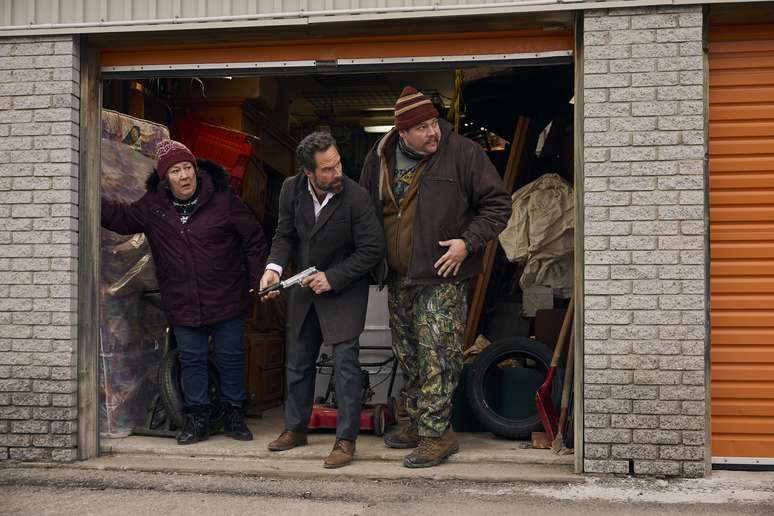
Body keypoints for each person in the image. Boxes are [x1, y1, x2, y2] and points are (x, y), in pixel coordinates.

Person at [359, 86, 512, 468]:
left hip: (441, 276)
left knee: (437, 357)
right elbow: (364, 210)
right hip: (398, 277)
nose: (433, 132)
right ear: (401, 131)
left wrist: (467, 242)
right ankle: (419, 422)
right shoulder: (379, 157)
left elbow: (498, 205)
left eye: (434, 123)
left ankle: (436, 435)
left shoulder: (462, 153)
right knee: (408, 353)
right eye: (423, 127)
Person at [102, 139, 268, 445]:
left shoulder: (223, 200)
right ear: (166, 178)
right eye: (176, 171)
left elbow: (254, 239)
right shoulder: (153, 206)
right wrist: (83, 193)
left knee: (230, 358)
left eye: (187, 168)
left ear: (196, 169)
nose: (184, 176)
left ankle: (234, 415)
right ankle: (197, 419)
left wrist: (258, 278)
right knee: (191, 360)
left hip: (227, 297)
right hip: (182, 301)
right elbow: (121, 219)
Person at [261, 131, 385, 469]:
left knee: (345, 364)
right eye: (327, 170)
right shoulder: (291, 189)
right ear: (308, 173)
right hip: (304, 287)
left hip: (344, 288)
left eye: (338, 164)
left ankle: (346, 441)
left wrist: (333, 277)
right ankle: (295, 428)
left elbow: (373, 250)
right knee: (298, 361)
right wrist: (273, 269)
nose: (337, 173)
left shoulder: (357, 197)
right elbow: (284, 234)